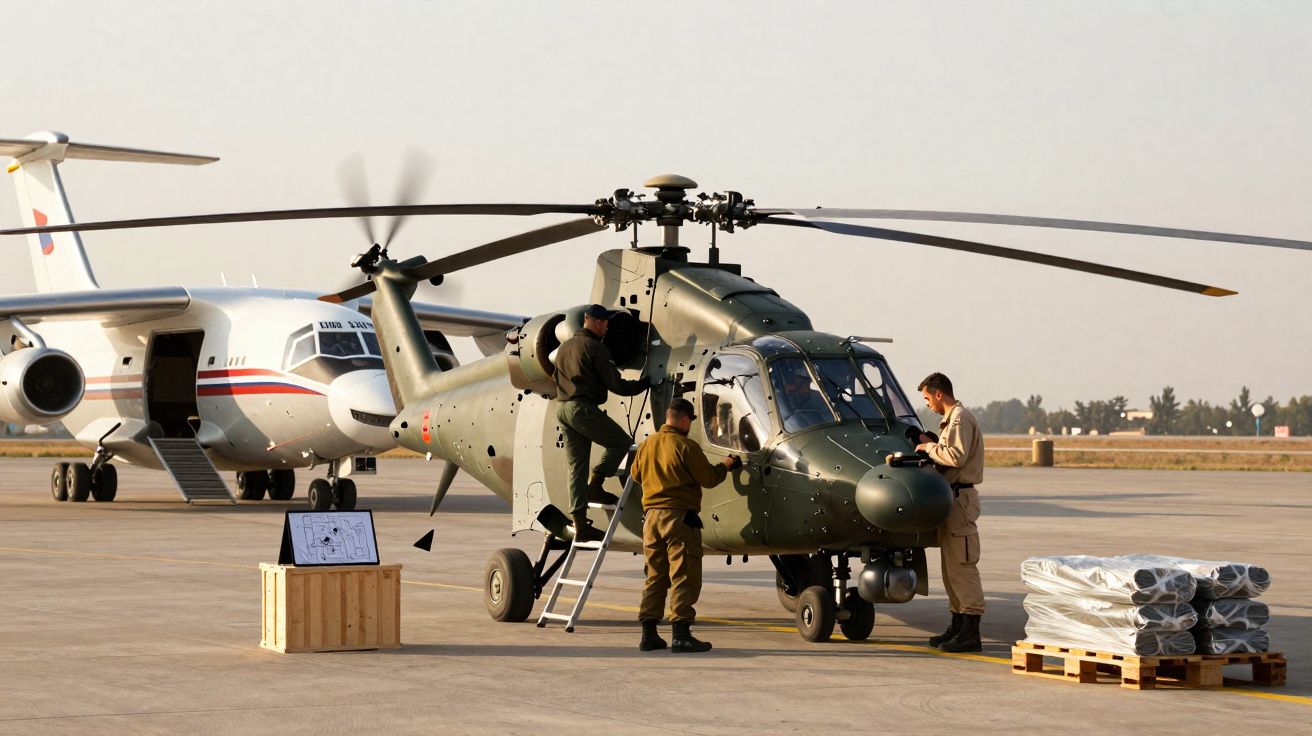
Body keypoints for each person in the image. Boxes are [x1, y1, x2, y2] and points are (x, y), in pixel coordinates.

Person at [631, 398, 741, 653]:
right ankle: (681, 634)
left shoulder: (647, 444)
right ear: (683, 420)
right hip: (679, 518)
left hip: (651, 519)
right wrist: (726, 465)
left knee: (655, 576)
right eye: (690, 421)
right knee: (684, 575)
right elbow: (709, 478)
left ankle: (649, 634)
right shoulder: (686, 446)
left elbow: (636, 475)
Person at [554, 304, 651, 542]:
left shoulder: (564, 348)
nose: (606, 327)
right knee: (621, 443)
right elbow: (617, 385)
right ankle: (596, 485)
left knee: (576, 468)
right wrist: (645, 384)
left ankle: (580, 524)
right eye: (604, 323)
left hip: (563, 408)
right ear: (593, 321)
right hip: (582, 409)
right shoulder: (595, 348)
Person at [914, 372, 985, 653]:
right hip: (951, 498)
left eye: (927, 398)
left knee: (963, 566)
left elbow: (955, 456)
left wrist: (928, 446)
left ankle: (971, 631)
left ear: (939, 394)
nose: (928, 404)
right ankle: (957, 624)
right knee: (951, 568)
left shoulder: (959, 418)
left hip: (960, 499)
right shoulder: (951, 420)